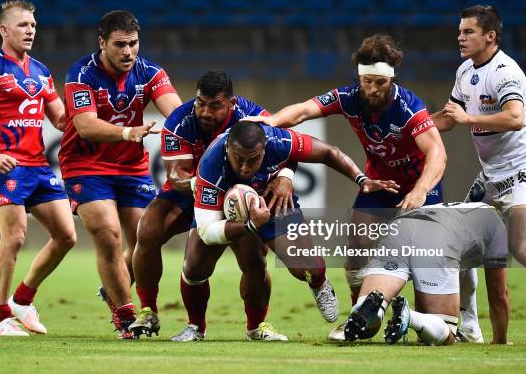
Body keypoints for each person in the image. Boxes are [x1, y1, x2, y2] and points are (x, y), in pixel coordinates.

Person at [247, 34, 447, 340]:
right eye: (367, 81)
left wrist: (419, 191)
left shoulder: (408, 108)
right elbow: (303, 110)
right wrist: (270, 123)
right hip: (381, 185)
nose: (372, 89)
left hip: (421, 187)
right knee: (354, 252)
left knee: (426, 268)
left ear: (391, 79)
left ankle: (431, 321)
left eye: (379, 83)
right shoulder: (349, 97)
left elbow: (437, 153)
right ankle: (357, 321)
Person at [171, 121, 398, 341]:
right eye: (238, 159)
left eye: (253, 160)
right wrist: (250, 225)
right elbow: (207, 230)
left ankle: (317, 283)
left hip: (272, 200)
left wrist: (361, 179)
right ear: (228, 147)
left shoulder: (277, 141)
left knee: (306, 269)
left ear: (264, 150)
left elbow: (328, 152)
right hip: (221, 206)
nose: (244, 167)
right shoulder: (211, 165)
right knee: (193, 266)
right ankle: (195, 327)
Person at [129, 70, 298, 337]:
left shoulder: (253, 116)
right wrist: (203, 183)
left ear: (231, 104)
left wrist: (286, 176)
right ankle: (150, 313)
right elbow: (175, 177)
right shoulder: (179, 121)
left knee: (255, 262)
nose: (205, 112)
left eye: (215, 105)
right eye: (200, 103)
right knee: (148, 231)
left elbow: (290, 146)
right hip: (193, 193)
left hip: (242, 194)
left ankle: (256, 327)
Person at [0, 0, 77, 336]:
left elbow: (61, 119)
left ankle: (22, 300)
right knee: (15, 236)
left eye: (33, 26)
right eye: (23, 25)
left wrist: (90, 115)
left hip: (38, 165)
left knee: (67, 236)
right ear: (4, 29)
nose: (30, 31)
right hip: (7, 166)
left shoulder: (40, 71)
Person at [59, 10, 181, 338]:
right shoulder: (81, 74)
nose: (128, 52)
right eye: (119, 45)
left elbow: (178, 115)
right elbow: (85, 126)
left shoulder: (150, 72)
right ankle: (126, 316)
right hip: (86, 164)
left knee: (145, 238)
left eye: (133, 44)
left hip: (131, 167)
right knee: (108, 232)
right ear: (102, 43)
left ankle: (112, 287)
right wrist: (129, 133)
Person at [431, 5, 526, 343]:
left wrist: (468, 119)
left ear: (490, 36)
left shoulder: (505, 72)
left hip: (520, 175)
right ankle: (472, 324)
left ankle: (492, 334)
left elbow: (516, 118)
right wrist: (410, 128)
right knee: (458, 242)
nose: (460, 36)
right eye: (460, 31)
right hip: (490, 178)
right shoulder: (465, 71)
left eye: (468, 31)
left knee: (520, 248)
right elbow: (447, 118)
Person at [342, 202, 509, 346]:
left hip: (400, 226)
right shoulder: (497, 227)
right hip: (436, 236)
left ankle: (371, 308)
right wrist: (500, 340)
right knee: (446, 334)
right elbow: (498, 295)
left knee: (366, 329)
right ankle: (411, 317)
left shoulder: (469, 211)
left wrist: (472, 328)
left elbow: (466, 272)